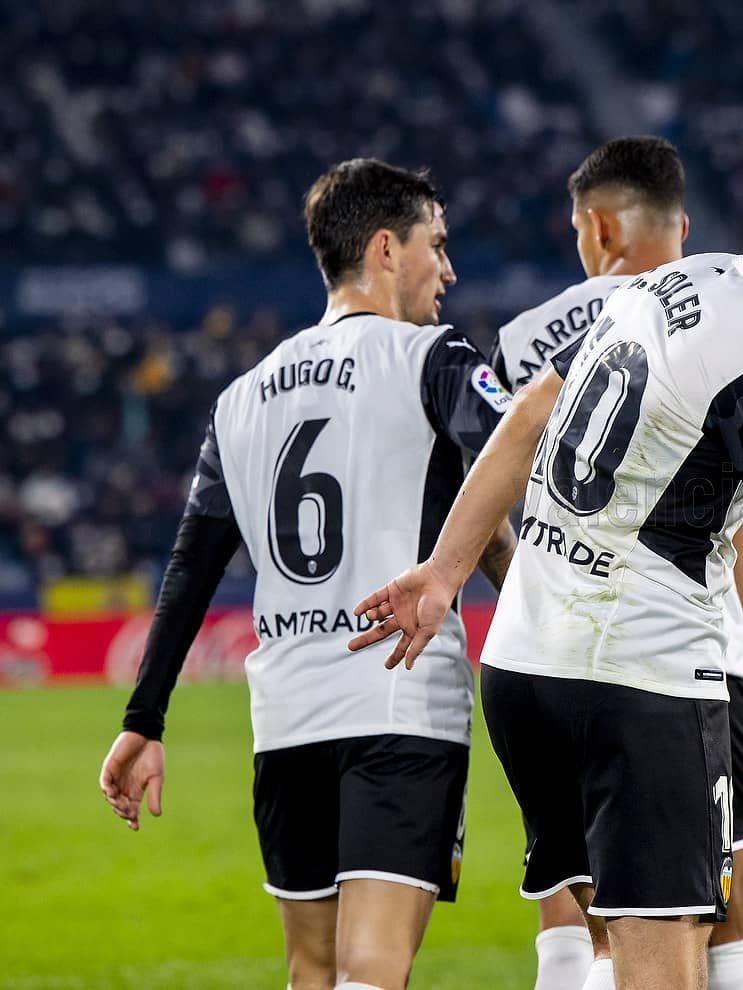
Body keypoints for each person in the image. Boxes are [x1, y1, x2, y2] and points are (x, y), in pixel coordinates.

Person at [351, 129, 743, 990]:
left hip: (523, 673)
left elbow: (532, 412)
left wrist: (444, 572)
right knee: (667, 971)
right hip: (640, 686)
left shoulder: (672, 282)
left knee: (595, 952)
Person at [98, 159, 517, 990]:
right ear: (386, 249)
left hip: (287, 715)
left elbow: (192, 566)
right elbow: (517, 448)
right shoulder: (430, 357)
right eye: (438, 245)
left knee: (312, 972)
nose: (450, 269)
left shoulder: (242, 398)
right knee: (373, 972)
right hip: (400, 704)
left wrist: (144, 719)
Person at [493, 137, 743, 990]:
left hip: (545, 646)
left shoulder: (524, 343)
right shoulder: (725, 326)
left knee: (579, 915)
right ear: (686, 226)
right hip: (687, 658)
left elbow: (505, 477)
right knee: (713, 921)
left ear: (595, 228)